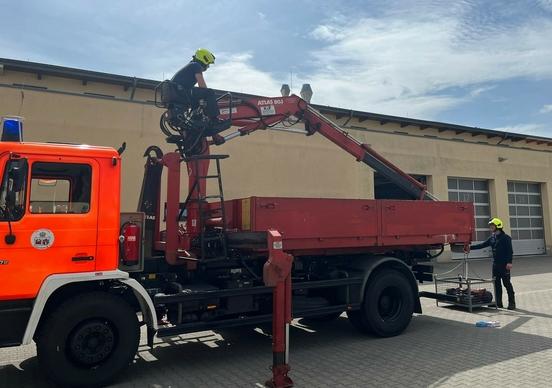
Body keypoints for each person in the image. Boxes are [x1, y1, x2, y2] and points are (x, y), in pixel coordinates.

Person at [466, 218, 516, 310]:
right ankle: (498, 302)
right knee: (496, 284)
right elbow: (482, 245)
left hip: (504, 265)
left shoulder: (506, 238)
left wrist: (509, 262)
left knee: (507, 284)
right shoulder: (492, 238)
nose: (490, 227)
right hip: (495, 265)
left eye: (492, 226)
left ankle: (512, 303)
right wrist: (470, 248)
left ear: (498, 226)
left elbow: (510, 251)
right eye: (490, 226)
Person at [171, 48, 223, 127]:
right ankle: (214, 119)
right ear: (204, 59)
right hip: (181, 92)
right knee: (209, 92)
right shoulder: (196, 65)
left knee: (197, 100)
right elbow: (202, 86)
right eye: (208, 64)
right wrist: (208, 100)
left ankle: (195, 120)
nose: (208, 66)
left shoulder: (190, 66)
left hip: (178, 93)